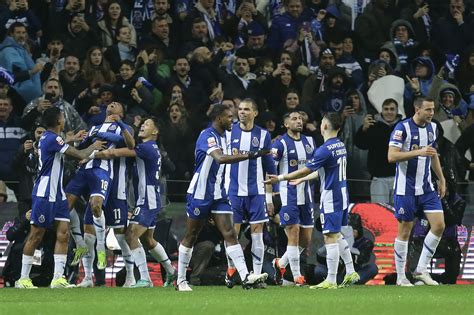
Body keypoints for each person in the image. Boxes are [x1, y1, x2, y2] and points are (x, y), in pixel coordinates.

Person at [176, 104, 269, 291]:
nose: (232, 121)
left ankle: (245, 277)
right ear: (218, 118)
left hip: (218, 193)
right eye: (229, 117)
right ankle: (180, 281)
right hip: (200, 192)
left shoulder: (225, 136)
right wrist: (251, 155)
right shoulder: (207, 136)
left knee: (230, 233)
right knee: (191, 235)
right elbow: (220, 158)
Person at [265, 112, 359, 289]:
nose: (299, 121)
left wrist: (281, 178)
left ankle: (331, 280)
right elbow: (322, 170)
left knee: (329, 236)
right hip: (340, 195)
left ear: (324, 126)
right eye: (294, 118)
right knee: (335, 234)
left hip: (331, 196)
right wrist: (300, 181)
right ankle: (349, 270)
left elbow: (306, 170)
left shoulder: (322, 147)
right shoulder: (340, 145)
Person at [15, 107, 105, 289]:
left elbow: (60, 144)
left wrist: (72, 139)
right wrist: (93, 147)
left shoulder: (48, 138)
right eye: (63, 117)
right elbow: (79, 155)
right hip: (44, 193)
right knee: (36, 235)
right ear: (58, 121)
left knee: (63, 233)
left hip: (58, 194)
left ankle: (58, 278)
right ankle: (23, 278)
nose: (64, 119)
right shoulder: (51, 138)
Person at [94, 116, 177, 288]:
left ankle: (145, 279)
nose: (142, 126)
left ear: (155, 131)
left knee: (130, 234)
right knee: (148, 240)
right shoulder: (151, 148)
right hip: (150, 199)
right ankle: (170, 271)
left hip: (148, 201)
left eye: (147, 124)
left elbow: (115, 153)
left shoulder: (147, 147)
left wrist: (93, 154)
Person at [65, 102, 134, 271]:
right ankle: (80, 244)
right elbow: (79, 149)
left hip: (102, 170)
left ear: (122, 112)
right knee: (63, 208)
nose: (113, 103)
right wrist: (74, 141)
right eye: (111, 104)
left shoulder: (124, 128)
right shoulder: (94, 127)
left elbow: (129, 144)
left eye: (117, 104)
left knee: (96, 206)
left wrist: (94, 148)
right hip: (83, 170)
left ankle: (101, 248)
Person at [387, 97, 446, 286]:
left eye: (433, 110)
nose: (431, 113)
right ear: (417, 109)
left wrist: (441, 178)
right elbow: (391, 156)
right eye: (428, 109)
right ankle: (401, 277)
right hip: (406, 189)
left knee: (439, 226)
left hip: (427, 188)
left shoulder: (433, 128)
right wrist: (417, 152)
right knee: (404, 231)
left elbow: (432, 153)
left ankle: (421, 269)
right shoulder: (402, 128)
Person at [224, 98, 275, 287]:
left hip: (256, 192)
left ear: (255, 113)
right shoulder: (229, 132)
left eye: (246, 109)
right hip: (234, 191)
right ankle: (231, 270)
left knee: (257, 234)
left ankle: (256, 275)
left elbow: (269, 167)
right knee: (232, 234)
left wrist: (269, 198)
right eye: (240, 109)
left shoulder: (263, 135)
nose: (242, 112)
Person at [271, 111, 315, 286]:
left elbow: (315, 167)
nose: (299, 121)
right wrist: (270, 197)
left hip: (307, 195)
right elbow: (271, 172)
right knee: (294, 233)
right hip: (287, 194)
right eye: (294, 119)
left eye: (300, 118)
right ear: (286, 124)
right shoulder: (280, 144)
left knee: (306, 239)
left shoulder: (310, 142)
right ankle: (297, 276)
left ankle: (281, 263)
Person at [354, 98, 401, 204]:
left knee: (399, 214)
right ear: (382, 110)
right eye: (386, 109)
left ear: (397, 111)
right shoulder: (372, 126)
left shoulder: (403, 127)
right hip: (378, 178)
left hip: (399, 177)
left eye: (392, 109)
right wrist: (364, 129)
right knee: (379, 212)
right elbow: (360, 144)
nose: (389, 112)